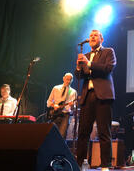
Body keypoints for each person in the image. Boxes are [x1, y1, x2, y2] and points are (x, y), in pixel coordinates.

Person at [75, 29, 116, 171]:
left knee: (104, 132)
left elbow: (108, 68)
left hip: (103, 96)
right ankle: (79, 164)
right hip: (88, 96)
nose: (92, 37)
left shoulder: (108, 52)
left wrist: (90, 64)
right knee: (83, 132)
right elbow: (79, 76)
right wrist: (78, 67)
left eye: (95, 35)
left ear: (101, 39)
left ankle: (105, 165)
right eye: (90, 36)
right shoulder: (85, 55)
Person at [47, 72, 77, 139]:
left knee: (62, 135)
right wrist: (54, 105)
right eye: (67, 79)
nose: (68, 81)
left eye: (70, 79)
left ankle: (60, 149)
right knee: (52, 134)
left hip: (65, 115)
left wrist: (72, 106)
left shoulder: (73, 92)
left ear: (72, 80)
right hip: (55, 114)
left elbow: (73, 108)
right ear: (63, 78)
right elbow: (48, 102)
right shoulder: (56, 88)